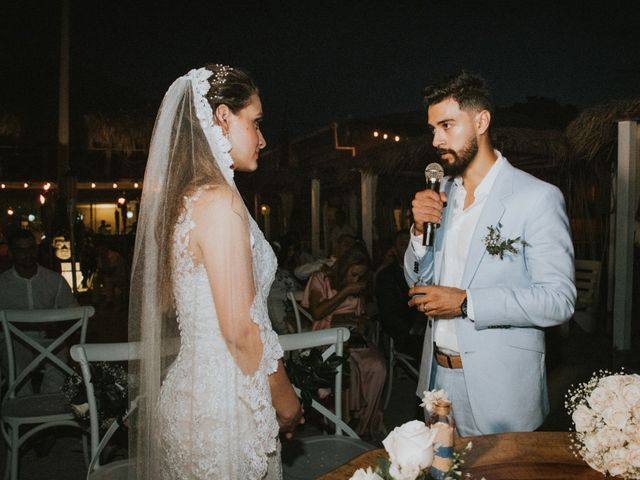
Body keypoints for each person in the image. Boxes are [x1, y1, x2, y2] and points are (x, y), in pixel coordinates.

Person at [129, 65, 302, 479]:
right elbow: (241, 331)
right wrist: (286, 399)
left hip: (192, 393)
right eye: (255, 122)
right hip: (225, 404)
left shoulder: (187, 200)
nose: (263, 139)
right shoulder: (219, 203)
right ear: (223, 116)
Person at [404, 71, 576, 436]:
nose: (436, 139)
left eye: (447, 125)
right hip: (436, 382)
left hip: (502, 390)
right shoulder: (441, 195)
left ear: (482, 121)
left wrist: (467, 302)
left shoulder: (536, 198)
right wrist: (419, 234)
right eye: (433, 128)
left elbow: (559, 301)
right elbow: (418, 281)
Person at [302, 243, 386, 439]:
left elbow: (362, 314)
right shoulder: (320, 279)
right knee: (349, 368)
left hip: (351, 336)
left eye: (360, 276)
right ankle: (344, 422)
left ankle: (365, 426)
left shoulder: (357, 287)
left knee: (378, 366)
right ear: (343, 267)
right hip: (326, 335)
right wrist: (345, 292)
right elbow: (317, 312)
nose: (356, 279)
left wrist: (361, 322)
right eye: (353, 274)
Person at [0, 229, 78, 394]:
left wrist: (59, 325)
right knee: (15, 361)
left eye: (30, 248)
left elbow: (73, 312)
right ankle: (22, 406)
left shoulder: (53, 280)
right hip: (14, 342)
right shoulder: (3, 284)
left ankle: (49, 403)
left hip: (48, 340)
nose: (27, 254)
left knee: (60, 358)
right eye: (21, 250)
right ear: (12, 253)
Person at [375, 229, 424, 360]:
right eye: (403, 245)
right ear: (395, 251)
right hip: (407, 334)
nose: (408, 248)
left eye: (411, 244)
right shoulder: (387, 277)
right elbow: (388, 314)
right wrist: (411, 329)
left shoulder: (427, 271)